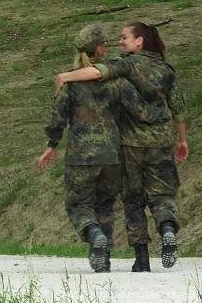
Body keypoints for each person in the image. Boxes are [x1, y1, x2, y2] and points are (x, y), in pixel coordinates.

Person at [54, 22, 187, 271]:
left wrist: (65, 76)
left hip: (130, 145)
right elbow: (179, 110)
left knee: (134, 201)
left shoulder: (126, 64)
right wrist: (182, 140)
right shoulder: (167, 70)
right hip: (162, 143)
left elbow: (96, 73)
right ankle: (167, 228)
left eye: (125, 37)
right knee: (162, 196)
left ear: (140, 41)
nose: (120, 41)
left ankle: (143, 260)